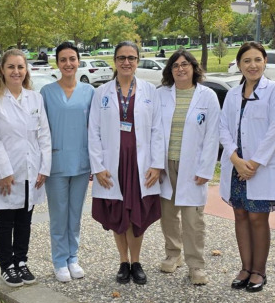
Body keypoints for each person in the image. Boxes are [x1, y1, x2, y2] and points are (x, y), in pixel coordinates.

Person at [89, 42, 164, 285]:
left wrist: (156, 164)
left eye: (131, 58)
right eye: (121, 57)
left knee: (136, 213)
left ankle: (136, 262)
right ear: (114, 61)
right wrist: (98, 166)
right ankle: (123, 261)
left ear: (138, 61)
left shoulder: (150, 91)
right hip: (113, 163)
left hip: (140, 163)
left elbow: (157, 130)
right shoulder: (101, 92)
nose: (126, 62)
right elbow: (94, 131)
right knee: (118, 212)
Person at [219, 42, 275, 292]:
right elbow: (223, 128)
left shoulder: (274, 91)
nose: (252, 65)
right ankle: (245, 268)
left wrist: (254, 163)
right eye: (246, 61)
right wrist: (235, 159)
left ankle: (259, 271)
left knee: (258, 218)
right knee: (240, 215)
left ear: (265, 61)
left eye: (257, 59)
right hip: (238, 166)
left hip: (260, 168)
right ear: (239, 65)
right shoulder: (232, 94)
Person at [0, 49, 51, 287]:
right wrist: (4, 171)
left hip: (31, 169)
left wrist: (44, 167)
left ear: (26, 70)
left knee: (25, 219)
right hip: (6, 172)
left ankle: (21, 261)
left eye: (20, 67)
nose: (16, 71)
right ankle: (7, 266)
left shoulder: (35, 98)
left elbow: (44, 135)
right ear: (2, 70)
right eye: (11, 67)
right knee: (5, 220)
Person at [157, 50, 220, 285]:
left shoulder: (207, 96)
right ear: (170, 70)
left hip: (193, 165)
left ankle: (196, 265)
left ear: (194, 68)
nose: (180, 69)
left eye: (185, 64)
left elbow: (213, 136)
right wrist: (156, 164)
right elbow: (154, 131)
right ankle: (173, 255)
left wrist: (206, 169)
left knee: (193, 219)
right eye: (175, 65)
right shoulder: (161, 95)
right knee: (168, 215)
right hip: (166, 164)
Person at [41, 42, 94, 282]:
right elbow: (42, 130)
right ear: (57, 63)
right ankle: (59, 260)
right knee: (58, 213)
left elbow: (95, 129)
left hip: (81, 162)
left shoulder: (89, 92)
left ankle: (73, 257)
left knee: (75, 214)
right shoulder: (47, 92)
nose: (68, 64)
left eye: (72, 59)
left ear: (79, 61)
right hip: (56, 162)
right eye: (63, 59)